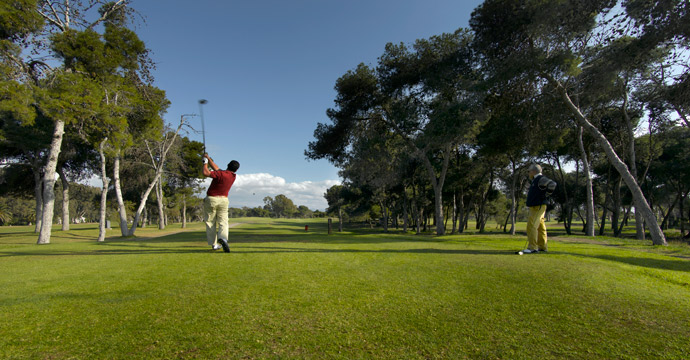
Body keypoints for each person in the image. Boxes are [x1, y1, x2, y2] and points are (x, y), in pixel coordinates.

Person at [202, 153, 240, 253]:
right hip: (224, 200)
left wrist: (204, 162)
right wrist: (208, 158)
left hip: (212, 199)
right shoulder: (232, 176)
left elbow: (206, 173)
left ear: (227, 165)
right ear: (236, 170)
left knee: (211, 222)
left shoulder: (220, 174)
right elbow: (217, 168)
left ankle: (214, 245)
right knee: (223, 222)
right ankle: (223, 239)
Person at [523, 163, 557, 254]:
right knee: (541, 227)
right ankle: (542, 247)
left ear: (534, 171)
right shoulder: (535, 180)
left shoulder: (540, 179)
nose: (528, 173)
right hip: (536, 206)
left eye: (529, 171)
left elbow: (552, 184)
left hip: (538, 206)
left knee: (532, 225)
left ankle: (532, 247)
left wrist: (546, 195)